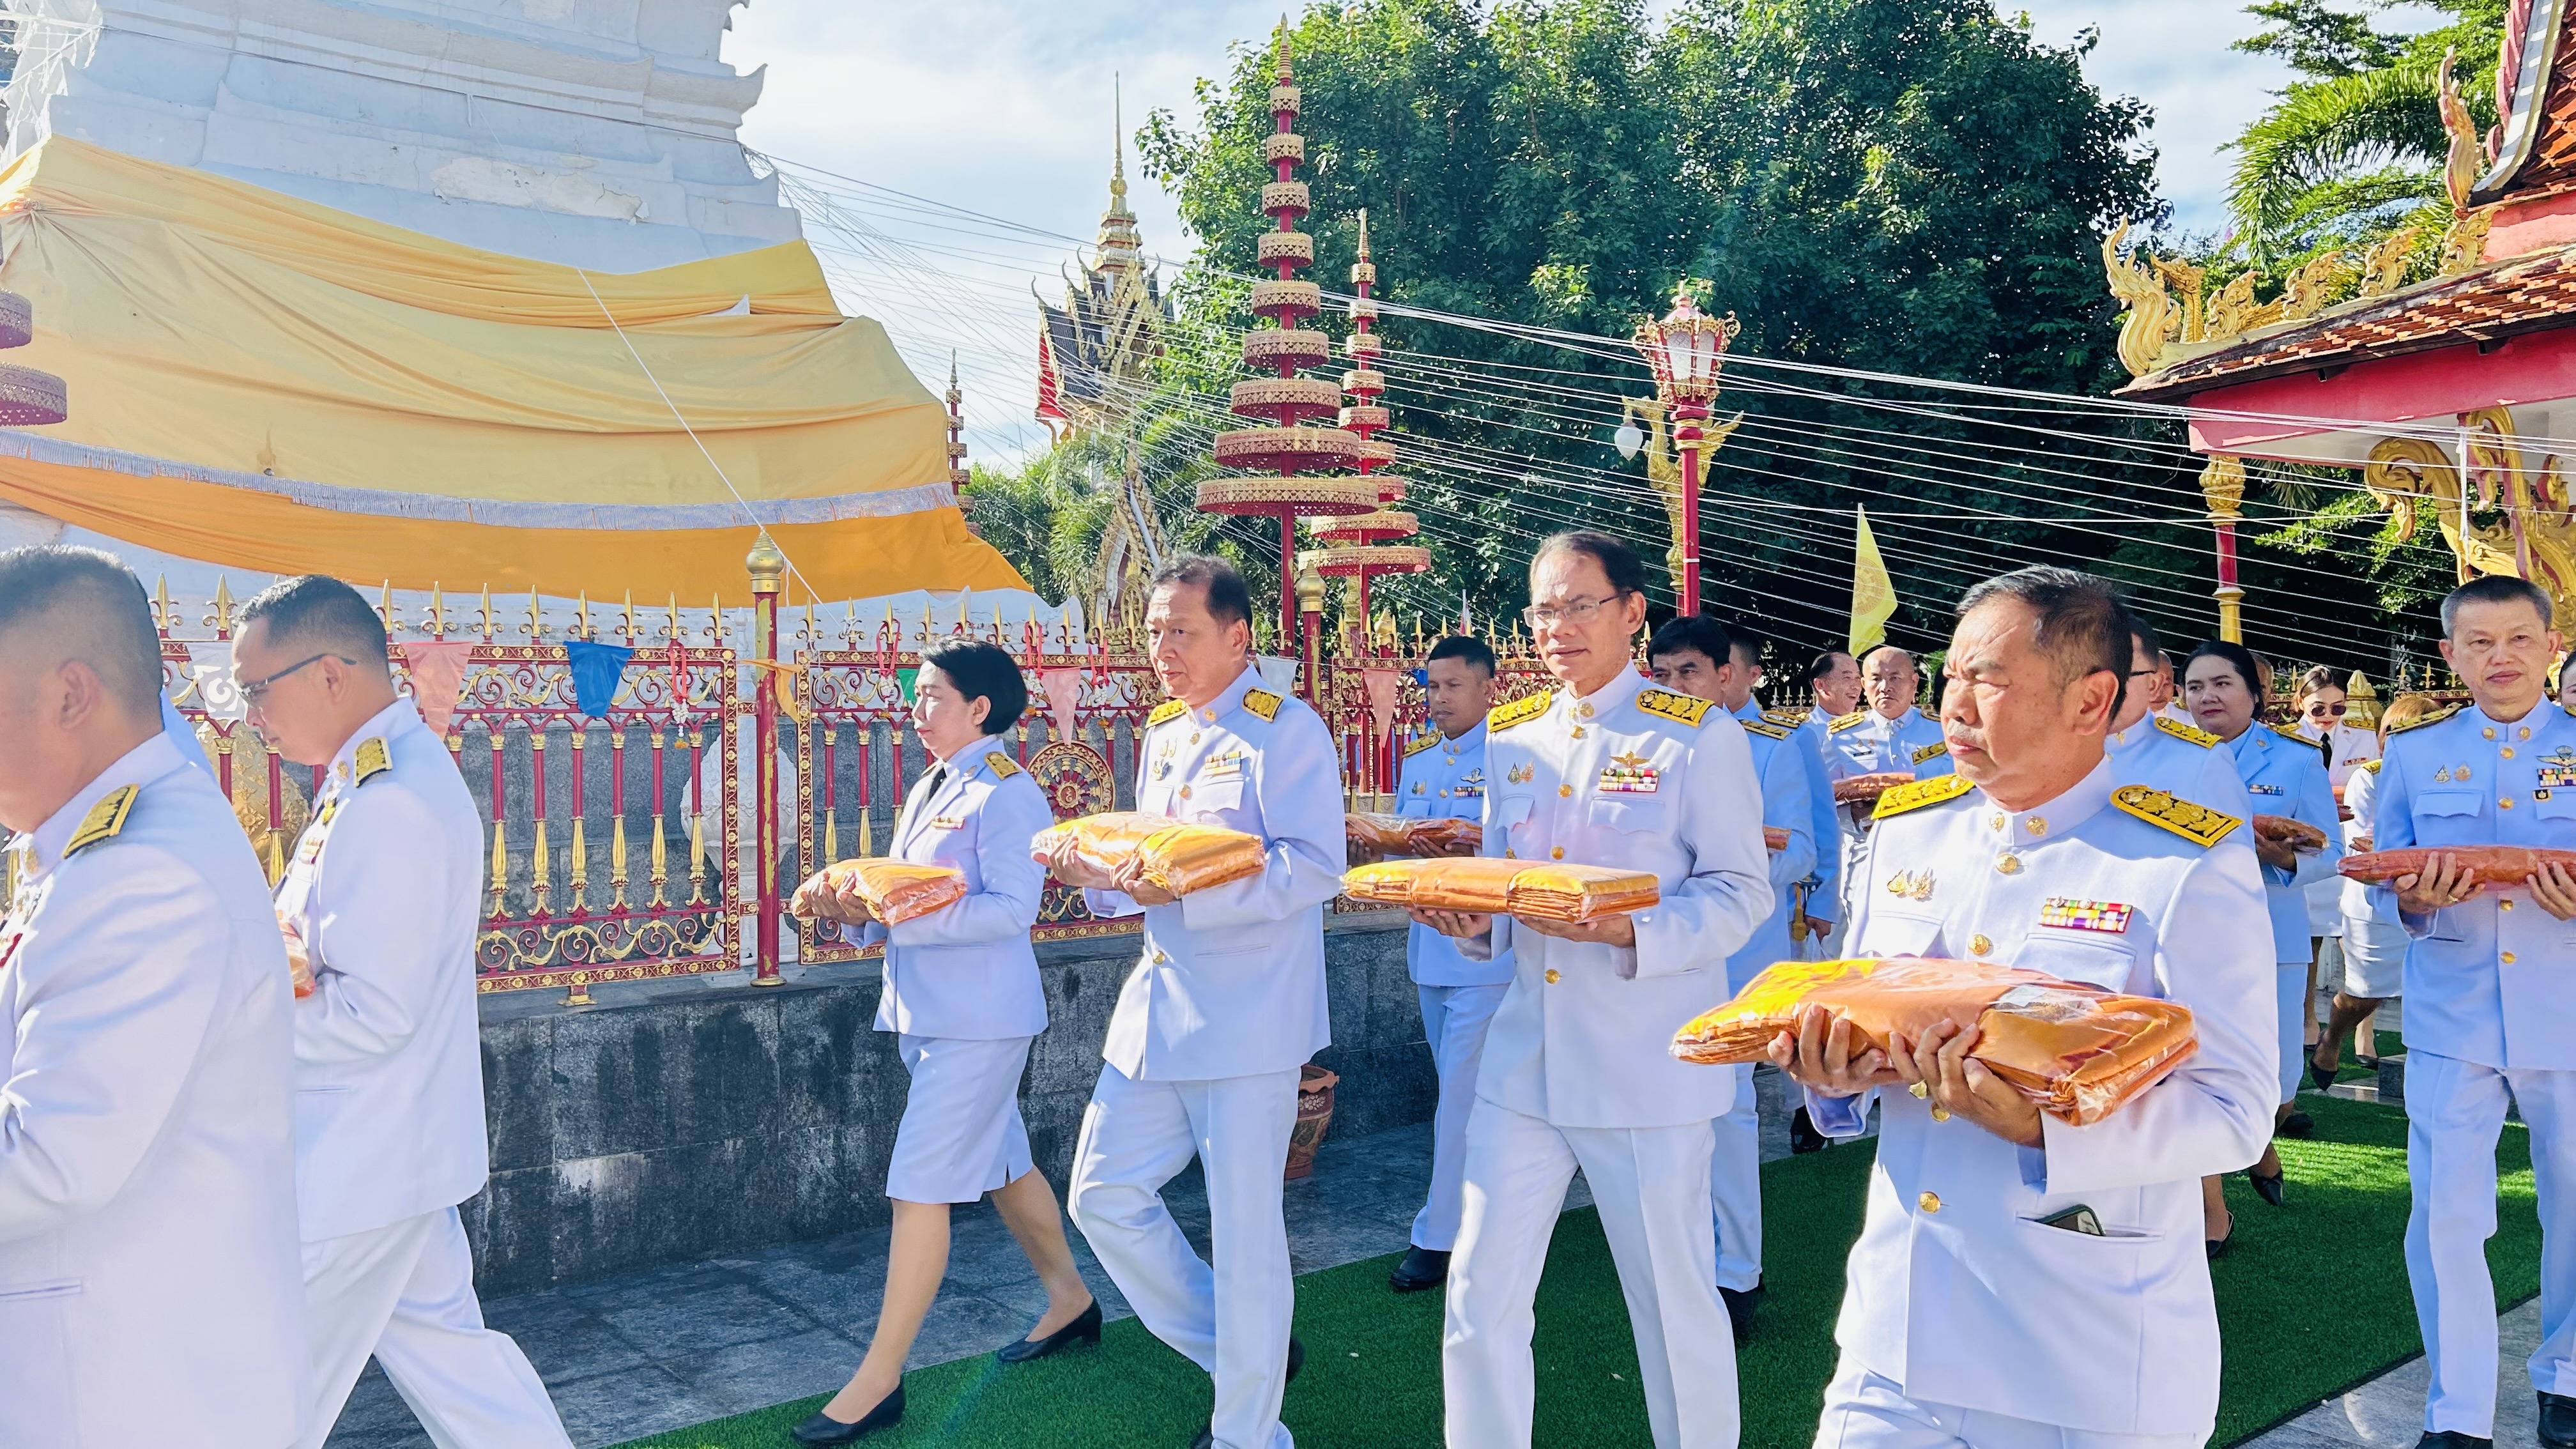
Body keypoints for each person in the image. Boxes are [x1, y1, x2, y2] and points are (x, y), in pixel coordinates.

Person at [1772, 565, 2275, 1449]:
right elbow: (1872, 1016)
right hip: (1900, 1334)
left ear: (2093, 701)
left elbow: (2235, 1113)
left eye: (1990, 680)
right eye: (1952, 676)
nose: (1956, 706)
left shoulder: (2182, 862)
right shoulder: (1908, 833)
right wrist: (1835, 1080)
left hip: (2084, 1355)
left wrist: (2045, 1128)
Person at [1416, 530, 1770, 1449]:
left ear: (1631, 612)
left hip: (1644, 1065)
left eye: (1579, 605)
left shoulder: (1699, 736)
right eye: (1542, 609)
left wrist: (1633, 930)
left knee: (1672, 1304)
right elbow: (1509, 884)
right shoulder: (1517, 736)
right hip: (1525, 1058)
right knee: (1480, 1294)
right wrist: (1477, 920)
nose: (1557, 627)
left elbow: (1740, 894)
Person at [234, 576, 573, 1449]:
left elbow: (373, 1015)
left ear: (333, 674)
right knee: (460, 1369)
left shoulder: (392, 799)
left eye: (258, 687)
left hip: (356, 1162)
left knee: (251, 1393)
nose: (249, 713)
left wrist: (231, 1020)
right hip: (389, 1152)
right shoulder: (367, 780)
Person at [0, 545, 307, 1449]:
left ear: (67, 695)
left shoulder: (137, 874)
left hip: (121, 1394)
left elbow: (51, 1159)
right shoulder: (107, 846)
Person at [1051, 556, 1342, 1449]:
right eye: (1152, 631)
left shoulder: (1286, 731)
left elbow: (1315, 866)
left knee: (1248, 1233)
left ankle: (1250, 1433)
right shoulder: (1167, 733)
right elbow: (1150, 867)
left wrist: (1187, 891)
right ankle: (1240, 1347)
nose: (1162, 649)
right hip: (1160, 1015)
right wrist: (1097, 877)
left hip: (1251, 1019)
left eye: (1181, 629)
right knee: (1101, 1194)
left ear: (1237, 636)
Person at [789, 640, 1098, 1445]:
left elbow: (1009, 912)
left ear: (979, 708)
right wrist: (856, 911)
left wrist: (896, 917)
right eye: (917, 694)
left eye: (931, 696)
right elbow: (907, 891)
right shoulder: (935, 780)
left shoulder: (1008, 792)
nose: (916, 709)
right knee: (1004, 1163)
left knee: (918, 1186)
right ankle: (1071, 1301)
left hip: (980, 1023)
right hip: (928, 1015)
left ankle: (878, 1379)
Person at [2368, 575, 2576, 1449]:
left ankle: (2567, 1378)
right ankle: (2458, 1415)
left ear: (2550, 644)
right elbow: (2384, 884)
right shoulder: (2415, 755)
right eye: (2479, 642)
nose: (2501, 658)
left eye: (2519, 640)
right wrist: (2417, 900)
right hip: (2454, 1013)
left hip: (2568, 1009)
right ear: (2449, 653)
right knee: (2447, 1214)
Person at [1648, 614, 1815, 1343]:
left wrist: (1723, 876)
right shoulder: (1639, 745)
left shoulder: (1772, 748)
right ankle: (1674, 1259)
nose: (1675, 686)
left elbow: (1803, 849)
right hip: (1651, 957)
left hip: (1737, 957)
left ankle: (1737, 1273)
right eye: (1662, 672)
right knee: (1661, 1115)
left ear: (1725, 677)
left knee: (1729, 1112)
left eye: (1690, 672)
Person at [1374, 634, 1510, 1296]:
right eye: (1431, 687)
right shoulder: (1420, 764)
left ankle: (1438, 1235)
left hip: (1489, 956)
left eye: (1453, 686)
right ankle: (1498, 1204)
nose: (1439, 698)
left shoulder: (1514, 763)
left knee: (1457, 1100)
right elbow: (1405, 849)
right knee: (1466, 1095)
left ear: (1489, 689)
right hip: (1431, 951)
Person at [2184, 640, 2342, 1205]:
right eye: (2196, 686)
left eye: (2223, 684)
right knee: (2186, 1065)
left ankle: (2257, 1147)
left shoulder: (2296, 760)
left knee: (2272, 1077)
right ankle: (2209, 1203)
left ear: (2256, 694)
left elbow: (2332, 851)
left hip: (2269, 934)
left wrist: (2278, 857)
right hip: (2183, 938)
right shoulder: (2163, 759)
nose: (2207, 696)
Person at [2310, 693, 2441, 1087]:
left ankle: (2430, 1068)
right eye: (2394, 732)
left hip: (2436, 899)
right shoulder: (2370, 776)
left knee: (2435, 987)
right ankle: (2332, 1037)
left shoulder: (2450, 774)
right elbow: (2366, 845)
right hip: (2375, 901)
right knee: (2366, 992)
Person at [2105, 618, 2254, 819]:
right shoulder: (2056, 750)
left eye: (2119, 675)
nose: (2096, 687)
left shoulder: (2202, 760)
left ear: (2153, 685)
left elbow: (2231, 848)